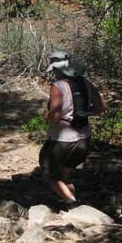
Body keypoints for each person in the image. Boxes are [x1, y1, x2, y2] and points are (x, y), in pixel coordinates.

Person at [39, 51, 106, 206]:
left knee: (49, 173)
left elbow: (55, 117)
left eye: (54, 70)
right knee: (66, 176)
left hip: (62, 139)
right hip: (84, 137)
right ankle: (71, 208)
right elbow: (101, 107)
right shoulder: (86, 82)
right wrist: (82, 114)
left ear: (57, 70)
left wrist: (48, 115)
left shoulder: (58, 86)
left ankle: (71, 202)